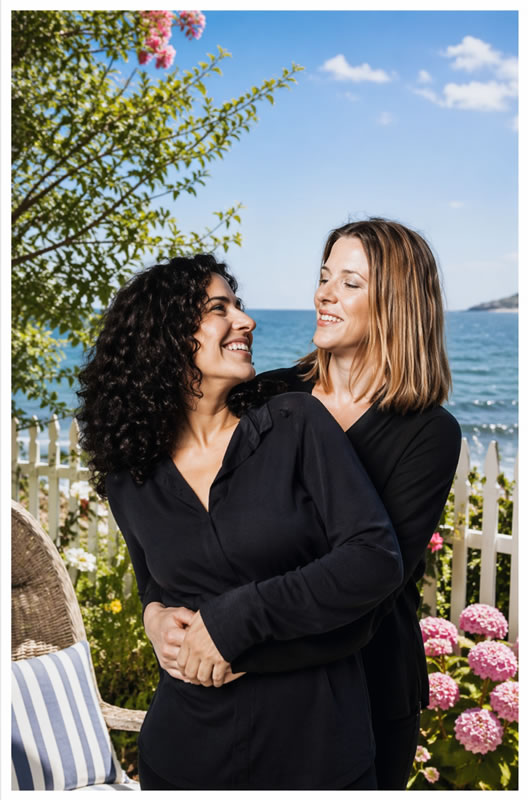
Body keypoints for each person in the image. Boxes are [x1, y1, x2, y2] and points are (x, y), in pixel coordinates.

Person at [142, 219, 462, 790]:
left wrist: (227, 644)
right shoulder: (267, 393)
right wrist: (156, 611)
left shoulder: (428, 434)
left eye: (350, 282)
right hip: (248, 697)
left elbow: (370, 592)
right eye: (323, 277)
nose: (324, 294)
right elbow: (188, 529)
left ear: (397, 303)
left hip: (367, 685)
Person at [77, 253, 404, 790]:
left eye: (240, 305)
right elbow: (156, 584)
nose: (246, 320)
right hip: (184, 750)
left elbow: (373, 560)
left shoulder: (295, 424)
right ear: (167, 337)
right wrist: (152, 616)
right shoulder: (129, 477)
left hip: (314, 748)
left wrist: (240, 616)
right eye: (218, 308)